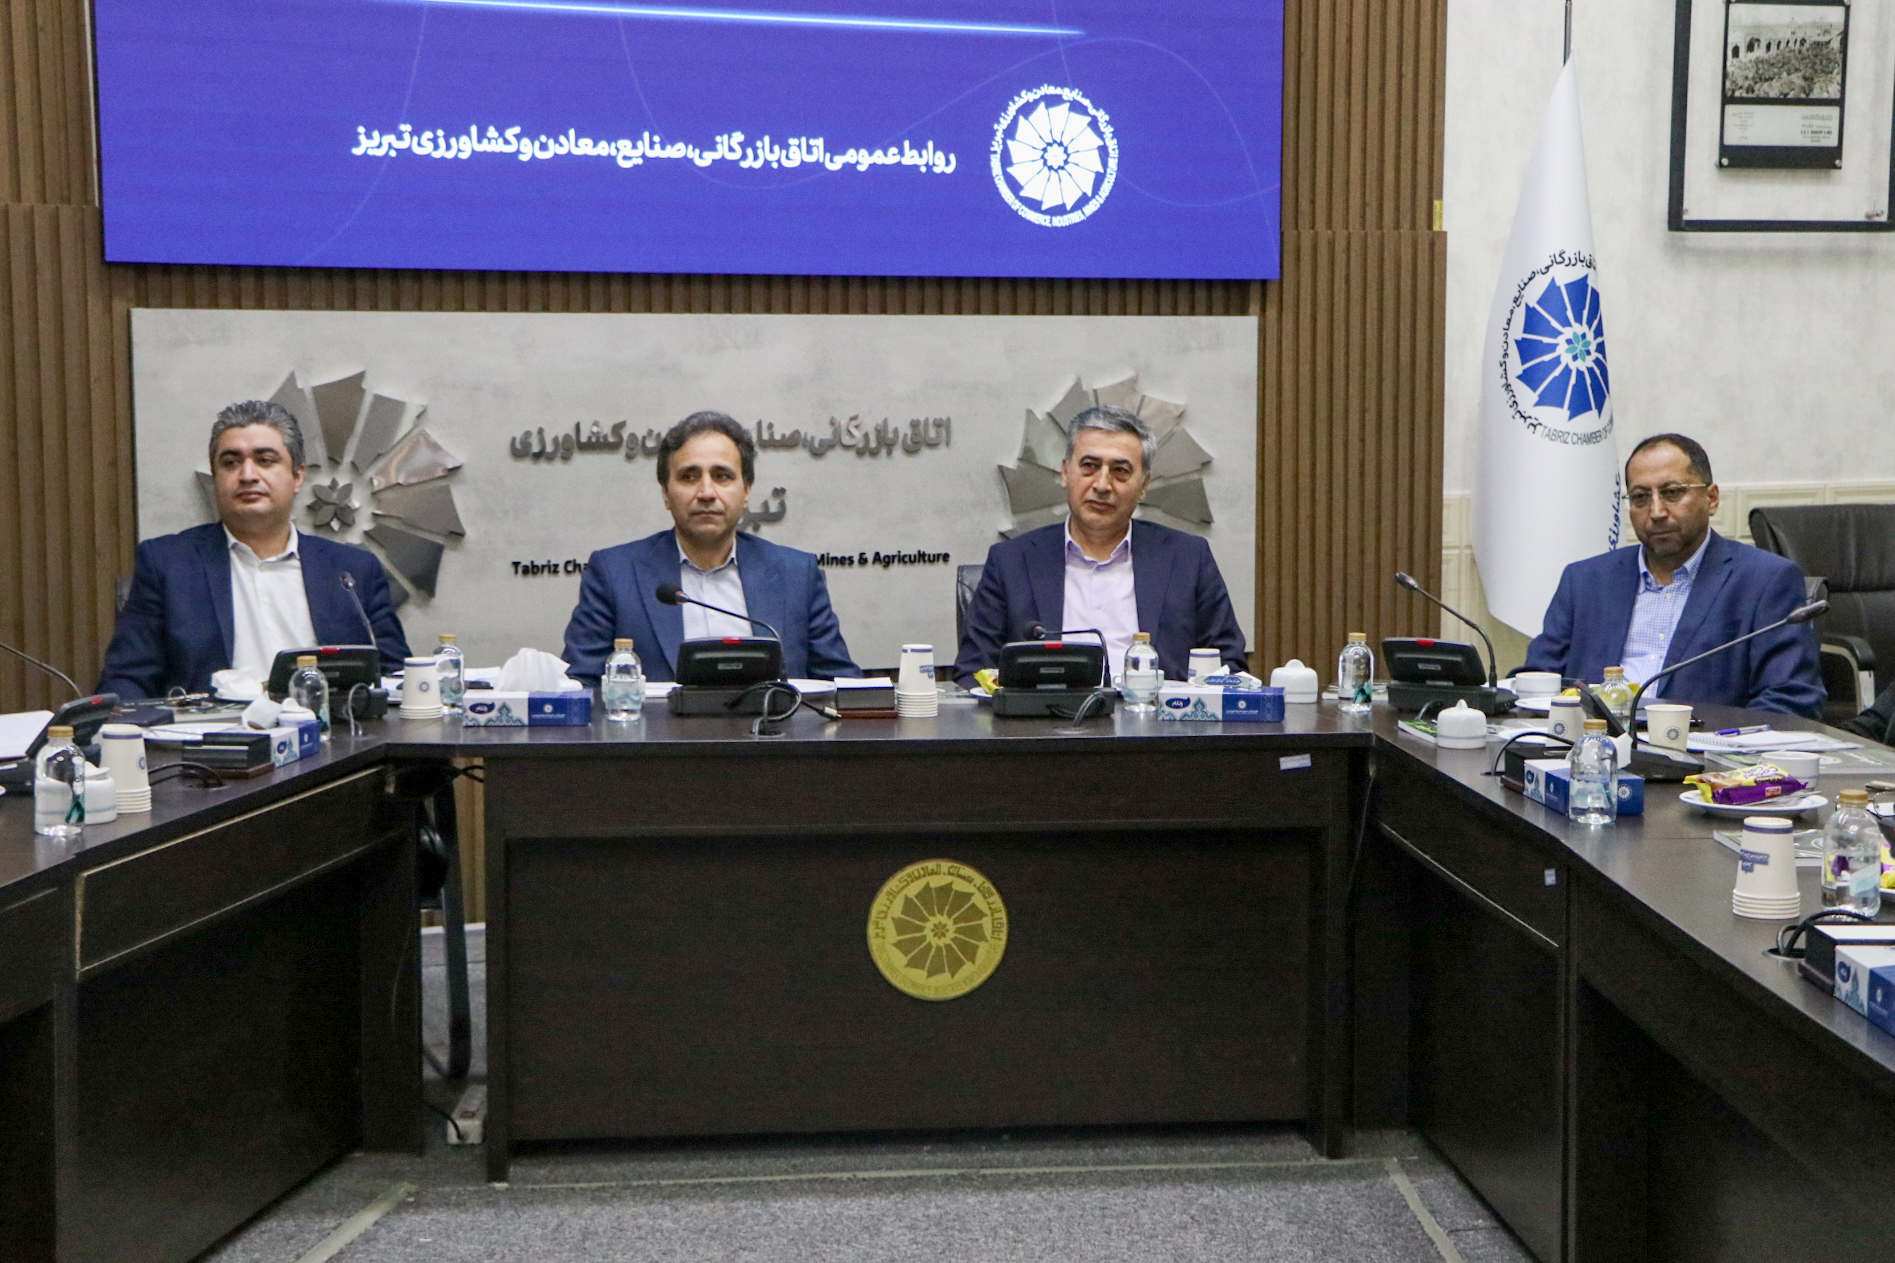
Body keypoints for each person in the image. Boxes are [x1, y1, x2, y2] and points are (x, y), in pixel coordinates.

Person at [96, 400, 410, 700]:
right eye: (230, 463)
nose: (247, 475)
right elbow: (126, 680)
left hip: (332, 733)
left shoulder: (352, 571)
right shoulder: (168, 564)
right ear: (216, 478)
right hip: (214, 735)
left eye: (265, 460)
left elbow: (394, 678)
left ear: (297, 476)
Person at [1524, 433, 1823, 717]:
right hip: (1590, 743)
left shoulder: (1765, 580)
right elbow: (1535, 682)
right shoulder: (1585, 581)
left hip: (1703, 746)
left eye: (1672, 493)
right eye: (1640, 497)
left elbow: (1791, 697)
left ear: (1712, 499)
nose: (1656, 512)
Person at [954, 404, 1246, 685]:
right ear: (1066, 473)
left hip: (1157, 717)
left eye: (1120, 471)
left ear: (1143, 486)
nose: (1103, 485)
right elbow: (974, 672)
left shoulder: (1188, 559)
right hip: (1045, 718)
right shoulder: (1011, 562)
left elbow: (1228, 667)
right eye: (1090, 466)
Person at [563, 411, 860, 684]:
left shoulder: (797, 574)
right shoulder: (614, 574)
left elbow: (842, 687)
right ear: (665, 493)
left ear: (746, 491)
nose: (706, 493)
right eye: (689, 477)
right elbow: (579, 689)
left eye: (722, 476)